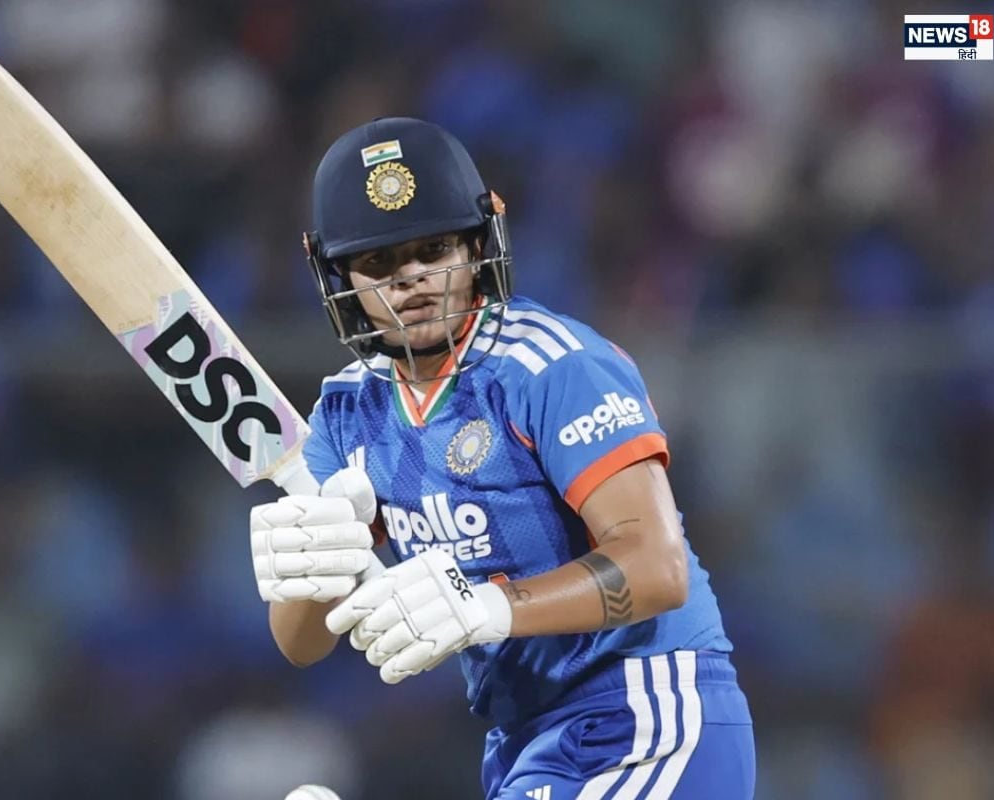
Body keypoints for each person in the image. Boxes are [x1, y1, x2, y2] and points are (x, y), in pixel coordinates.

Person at [249, 117, 755, 799]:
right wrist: (313, 570)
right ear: (337, 274)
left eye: (433, 248)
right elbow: (302, 645)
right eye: (379, 261)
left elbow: (658, 568)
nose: (411, 279)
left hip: (645, 705)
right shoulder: (345, 412)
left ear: (477, 242)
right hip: (522, 734)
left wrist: (487, 606)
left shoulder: (551, 366)